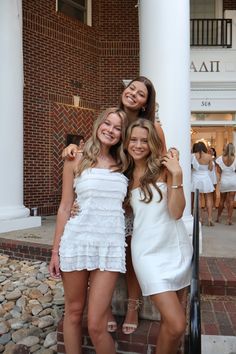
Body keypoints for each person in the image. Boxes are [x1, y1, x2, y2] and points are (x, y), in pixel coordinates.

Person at [62, 76, 171, 335]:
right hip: (109, 198)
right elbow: (92, 151)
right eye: (131, 88)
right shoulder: (112, 120)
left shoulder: (153, 126)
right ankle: (104, 309)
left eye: (140, 93)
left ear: (146, 102)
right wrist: (71, 148)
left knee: (132, 252)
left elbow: (163, 160)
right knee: (101, 252)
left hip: (136, 194)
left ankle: (132, 306)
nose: (133, 94)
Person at [49, 107, 128, 354]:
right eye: (107, 123)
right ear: (98, 124)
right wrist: (55, 252)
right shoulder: (75, 158)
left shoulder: (127, 163)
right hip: (76, 241)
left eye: (118, 128)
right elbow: (64, 207)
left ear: (123, 134)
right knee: (73, 313)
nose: (111, 130)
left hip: (109, 247)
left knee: (96, 324)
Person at [124, 119, 193, 354]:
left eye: (144, 140)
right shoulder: (123, 173)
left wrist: (177, 176)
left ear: (153, 142)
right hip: (146, 254)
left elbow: (176, 212)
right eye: (133, 139)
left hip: (176, 247)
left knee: (171, 325)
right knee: (177, 324)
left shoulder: (165, 168)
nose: (138, 145)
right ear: (126, 142)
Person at [191, 141, 215, 226]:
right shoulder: (209, 156)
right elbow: (211, 169)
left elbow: (191, 167)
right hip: (205, 178)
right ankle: (209, 218)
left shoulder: (193, 156)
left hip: (195, 178)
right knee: (208, 198)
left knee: (198, 199)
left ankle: (199, 218)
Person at [215, 143, 236, 225]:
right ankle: (229, 219)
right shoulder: (235, 159)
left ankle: (218, 217)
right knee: (231, 200)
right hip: (233, 181)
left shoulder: (220, 159)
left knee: (221, 200)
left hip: (224, 180)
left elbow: (219, 171)